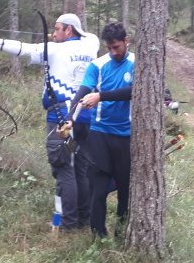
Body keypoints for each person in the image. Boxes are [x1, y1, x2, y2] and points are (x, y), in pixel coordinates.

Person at [0, 13, 99, 230]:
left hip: (60, 118)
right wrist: (79, 31)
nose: (53, 33)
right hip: (86, 117)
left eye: (58, 29)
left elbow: (23, 49)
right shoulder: (91, 47)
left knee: (64, 170)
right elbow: (90, 36)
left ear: (69, 30)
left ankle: (68, 225)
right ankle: (83, 219)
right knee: (80, 169)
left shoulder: (54, 50)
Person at [59, 21, 134, 238]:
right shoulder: (98, 65)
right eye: (109, 48)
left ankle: (121, 233)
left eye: (117, 47)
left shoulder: (137, 62)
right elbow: (83, 91)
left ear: (126, 41)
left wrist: (101, 96)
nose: (113, 52)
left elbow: (134, 90)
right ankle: (98, 236)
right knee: (98, 187)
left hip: (126, 135)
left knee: (125, 190)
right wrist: (70, 118)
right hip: (99, 133)